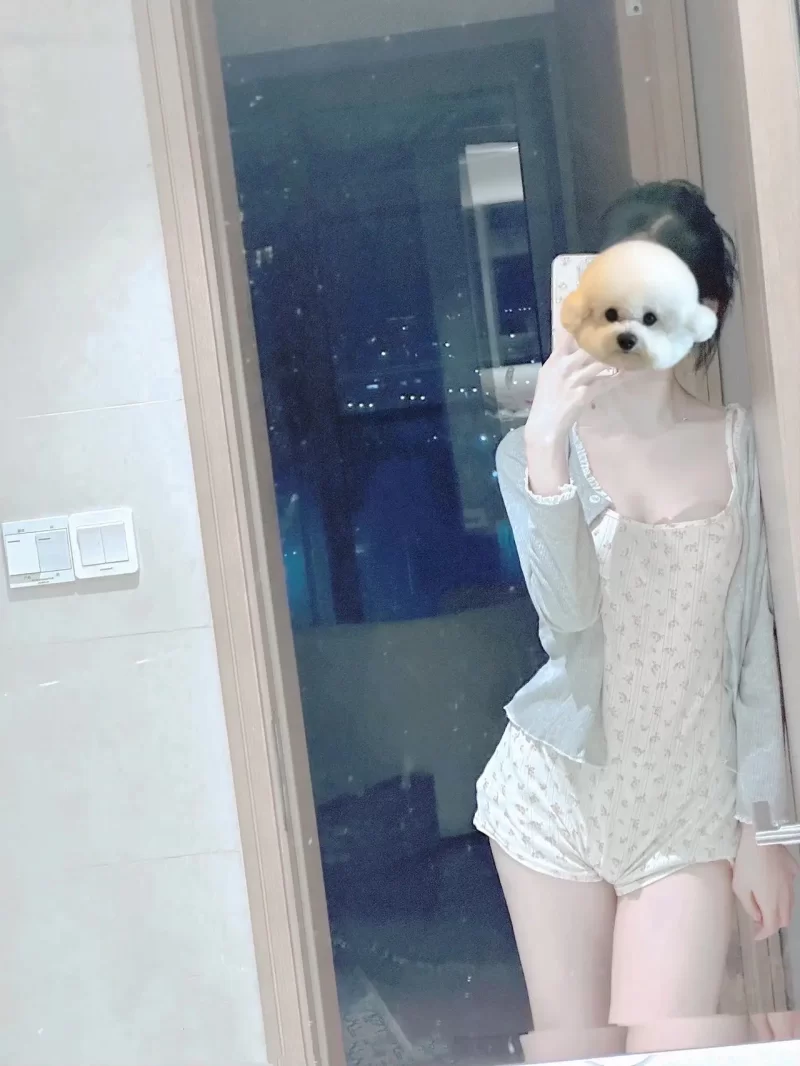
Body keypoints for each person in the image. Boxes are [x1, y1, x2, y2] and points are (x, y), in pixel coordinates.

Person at [474, 180, 798, 1031]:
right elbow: (567, 621)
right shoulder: (535, 450)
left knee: (670, 1048)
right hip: (552, 801)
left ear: (705, 314)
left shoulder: (741, 442)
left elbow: (755, 658)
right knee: (577, 1051)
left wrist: (766, 829)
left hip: (689, 811)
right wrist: (548, 446)